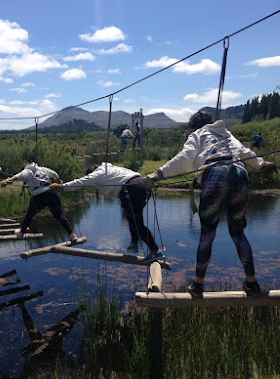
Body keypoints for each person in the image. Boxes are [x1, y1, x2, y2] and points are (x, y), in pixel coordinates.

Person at [145, 110, 276, 297]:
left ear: (195, 127)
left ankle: (198, 285)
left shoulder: (198, 134)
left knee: (207, 234)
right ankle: (252, 283)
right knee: (238, 232)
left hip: (216, 175)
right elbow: (245, 152)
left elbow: (185, 157)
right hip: (240, 175)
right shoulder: (227, 133)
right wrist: (261, 164)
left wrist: (159, 174)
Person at [51, 162, 163, 262]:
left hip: (130, 190)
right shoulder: (110, 168)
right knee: (132, 217)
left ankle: (155, 251)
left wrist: (63, 187)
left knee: (137, 223)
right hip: (142, 184)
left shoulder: (97, 174)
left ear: (92, 172)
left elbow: (81, 182)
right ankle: (134, 244)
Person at [1, 162, 78, 242]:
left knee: (29, 215)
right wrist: (59, 183)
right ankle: (72, 235)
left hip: (38, 196)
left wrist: (8, 180)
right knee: (59, 215)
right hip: (51, 193)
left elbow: (18, 176)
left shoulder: (26, 171)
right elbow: (54, 174)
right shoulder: (42, 169)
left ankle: (21, 233)